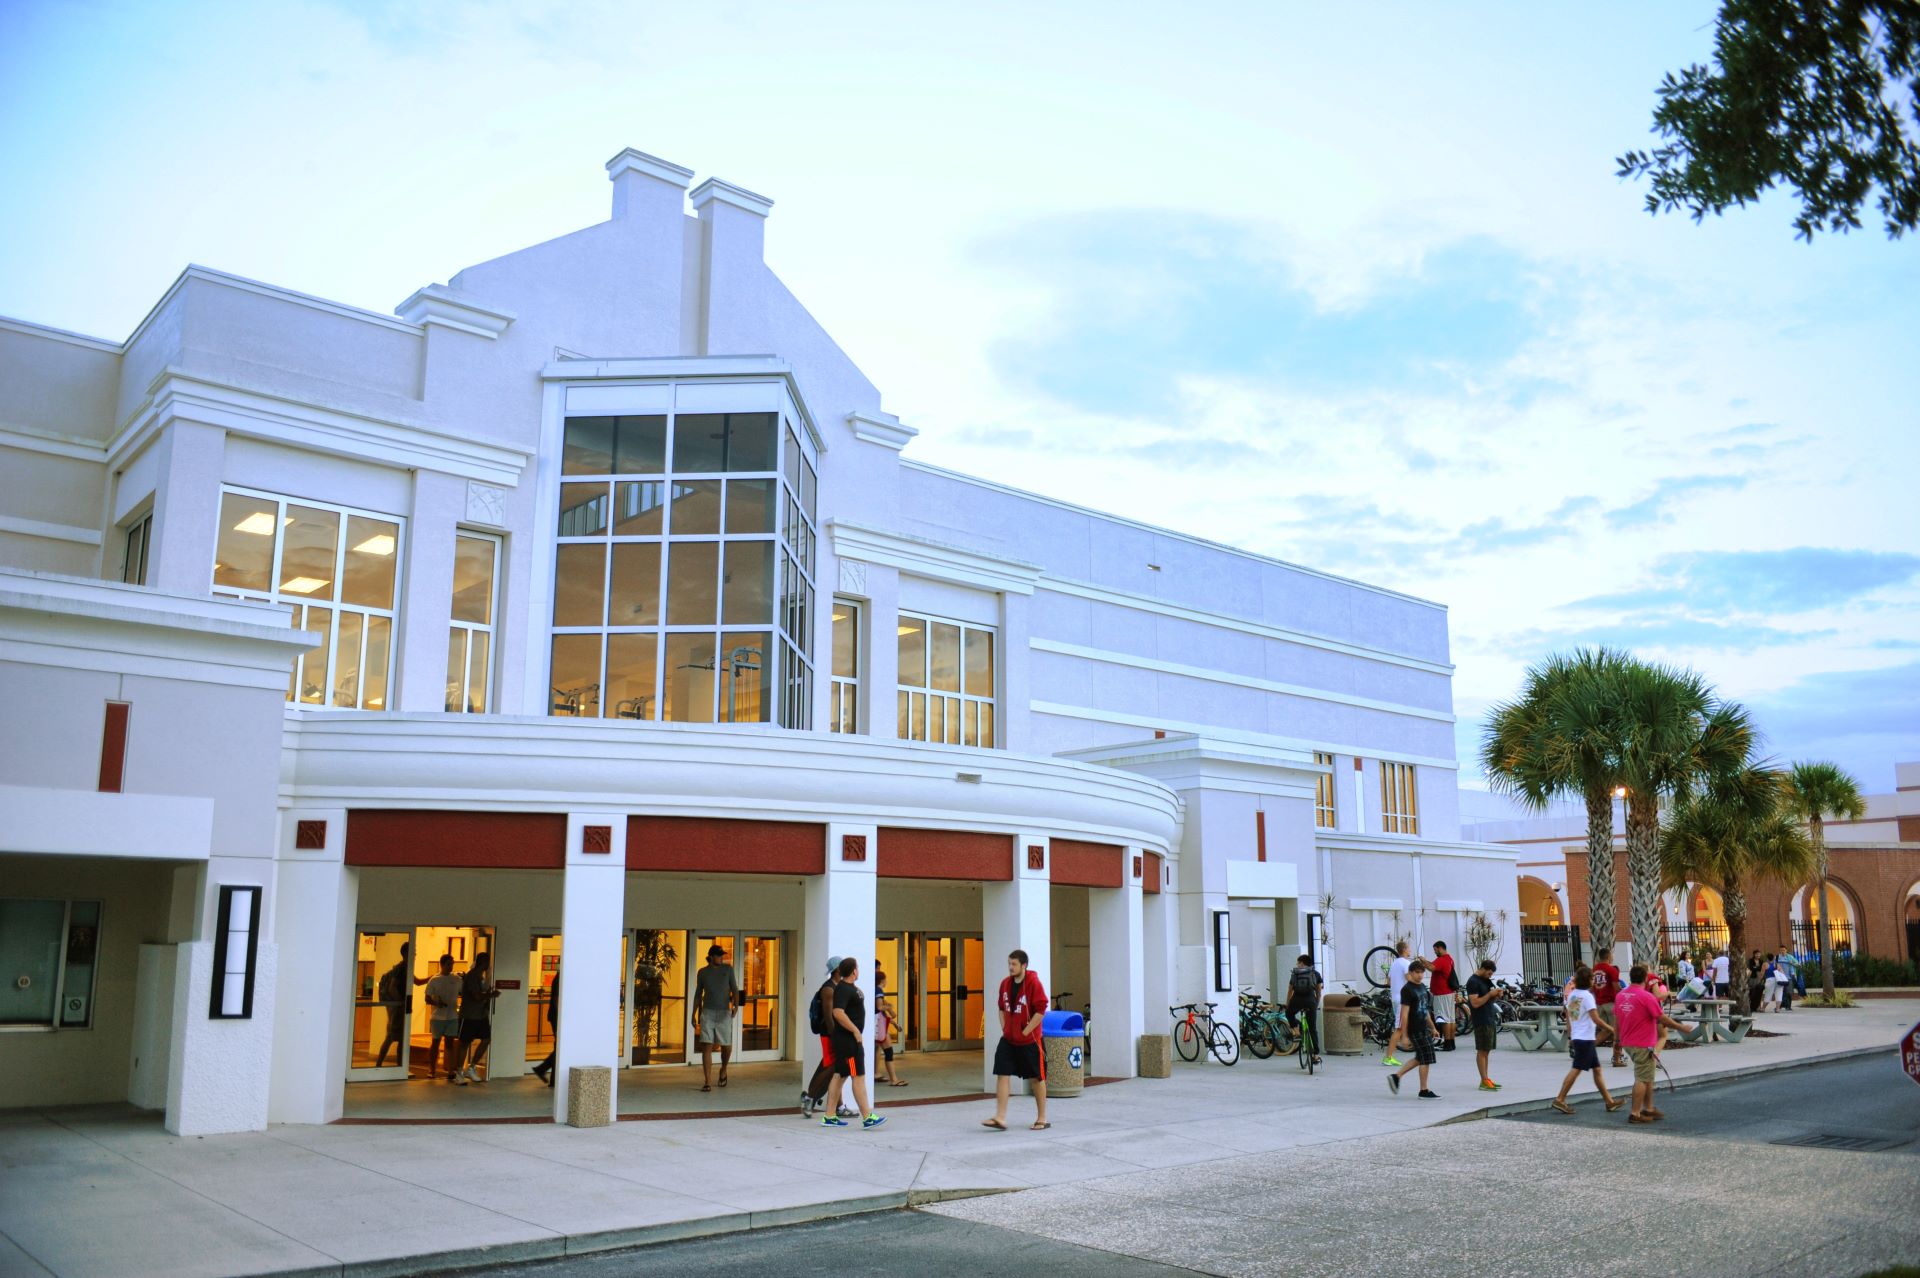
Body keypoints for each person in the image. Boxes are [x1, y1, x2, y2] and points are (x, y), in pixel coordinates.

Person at [984, 949, 1050, 1131]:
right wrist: (1005, 1027)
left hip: (1030, 1041)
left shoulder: (1033, 983)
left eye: (1014, 964)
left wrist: (1026, 1031)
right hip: (1009, 1039)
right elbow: (1000, 1008)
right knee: (1002, 1073)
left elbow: (1041, 1009)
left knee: (1036, 1078)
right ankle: (1000, 1117)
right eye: (1009, 964)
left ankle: (1042, 1118)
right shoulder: (1005, 984)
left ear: (1024, 965)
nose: (1010, 967)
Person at [1615, 964, 1688, 1124]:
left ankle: (1649, 1108)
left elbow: (1617, 1019)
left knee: (1647, 1075)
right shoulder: (1647, 997)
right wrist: (1681, 1027)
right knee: (1642, 1077)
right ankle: (1635, 1113)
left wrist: (1616, 1041)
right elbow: (1661, 1018)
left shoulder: (1620, 995)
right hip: (1642, 1044)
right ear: (1645, 979)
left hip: (1627, 1042)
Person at [820, 956, 884, 1129]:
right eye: (858, 967)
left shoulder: (846, 988)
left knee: (840, 1075)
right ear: (854, 971)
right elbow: (838, 1012)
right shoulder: (844, 989)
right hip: (849, 1044)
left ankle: (829, 1116)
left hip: (847, 1042)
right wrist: (855, 1031)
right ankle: (867, 1116)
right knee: (857, 1076)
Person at [1550, 965, 1623, 1116]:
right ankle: (1560, 1099)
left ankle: (1609, 1102)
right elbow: (1595, 1018)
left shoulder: (1573, 995)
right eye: (1592, 978)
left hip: (1580, 1036)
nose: (1594, 980)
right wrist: (1611, 1029)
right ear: (1588, 980)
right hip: (1585, 1039)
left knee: (1597, 1070)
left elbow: (1571, 1018)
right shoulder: (1587, 996)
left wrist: (1571, 1036)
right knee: (1576, 1069)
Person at [800, 956, 854, 1118]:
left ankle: (838, 1106)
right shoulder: (828, 989)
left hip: (836, 1034)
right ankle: (809, 1099)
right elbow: (829, 1017)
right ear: (838, 969)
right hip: (830, 1035)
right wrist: (836, 1037)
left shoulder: (838, 986)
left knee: (835, 1070)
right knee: (831, 1069)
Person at [1387, 959, 1440, 1098]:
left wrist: (1433, 1027)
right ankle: (1423, 1090)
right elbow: (1404, 1014)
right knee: (1426, 1058)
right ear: (1410, 973)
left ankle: (1396, 1077)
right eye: (1417, 972)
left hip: (1424, 1027)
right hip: (1414, 1029)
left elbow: (1425, 1010)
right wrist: (1404, 1035)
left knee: (1421, 1057)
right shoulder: (1407, 990)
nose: (1420, 975)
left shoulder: (1422, 987)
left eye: (1422, 972)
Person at [693, 943, 740, 1092]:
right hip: (707, 1012)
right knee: (706, 1045)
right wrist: (693, 1013)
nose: (721, 958)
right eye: (719, 955)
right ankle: (707, 1081)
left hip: (724, 1013)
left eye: (722, 955)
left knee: (726, 1046)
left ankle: (723, 1069)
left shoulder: (728, 970)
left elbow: (735, 989)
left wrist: (735, 1006)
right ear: (711, 957)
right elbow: (698, 994)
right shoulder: (702, 973)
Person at [455, 950, 496, 1085]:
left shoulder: (481, 977)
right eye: (487, 962)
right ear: (483, 962)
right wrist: (490, 995)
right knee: (465, 1043)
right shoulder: (472, 976)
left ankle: (471, 1067)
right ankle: (459, 1072)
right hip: (469, 1015)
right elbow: (476, 996)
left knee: (486, 1039)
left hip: (481, 1015)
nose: (488, 965)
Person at [1462, 957, 1502, 1092]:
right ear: (1483, 969)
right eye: (1489, 973)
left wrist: (1496, 995)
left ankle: (1485, 1079)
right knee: (1482, 1050)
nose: (1490, 976)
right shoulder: (1473, 982)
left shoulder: (1486, 980)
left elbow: (1490, 996)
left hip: (1489, 1017)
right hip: (1481, 1019)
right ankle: (1484, 1080)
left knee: (1487, 1050)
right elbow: (1475, 1003)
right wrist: (1489, 994)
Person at [372, 943, 414, 1069]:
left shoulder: (406, 968)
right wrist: (401, 1002)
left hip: (399, 1007)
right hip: (398, 1007)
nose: (415, 954)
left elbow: (416, 981)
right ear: (406, 953)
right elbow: (392, 988)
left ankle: (398, 1066)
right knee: (391, 1036)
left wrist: (432, 977)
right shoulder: (401, 968)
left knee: (400, 1038)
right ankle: (380, 1064)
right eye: (413, 951)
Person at [422, 954, 463, 1081]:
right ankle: (432, 1069)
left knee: (450, 1043)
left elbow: (463, 992)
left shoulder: (456, 979)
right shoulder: (434, 980)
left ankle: (451, 1070)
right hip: (437, 1017)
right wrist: (436, 1003)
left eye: (452, 963)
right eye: (449, 964)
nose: (451, 966)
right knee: (435, 1043)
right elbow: (427, 998)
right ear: (442, 964)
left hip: (452, 1017)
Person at [1283, 953, 1322, 1065]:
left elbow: (1290, 991)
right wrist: (1316, 1004)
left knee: (1289, 1014)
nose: (1297, 964)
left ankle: (1296, 1032)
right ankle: (1315, 1055)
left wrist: (1288, 1004)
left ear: (1302, 963)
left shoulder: (1294, 974)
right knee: (1312, 1028)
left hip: (1296, 1000)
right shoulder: (1316, 974)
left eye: (1298, 962)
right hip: (1311, 1001)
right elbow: (1319, 992)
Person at [1589, 946, 1624, 1070]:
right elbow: (1616, 988)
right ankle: (1617, 1058)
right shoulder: (1612, 970)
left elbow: (1592, 988)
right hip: (1611, 1003)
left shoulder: (1594, 969)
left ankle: (1587, 1051)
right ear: (1609, 956)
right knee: (1617, 1031)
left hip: (1599, 1004)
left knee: (1606, 1030)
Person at [1383, 939, 1413, 1067]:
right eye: (1408, 948)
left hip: (1395, 997)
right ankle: (1388, 1057)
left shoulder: (1394, 963)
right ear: (1404, 950)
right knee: (1399, 1028)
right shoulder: (1406, 963)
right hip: (1402, 999)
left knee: (1401, 1026)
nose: (1410, 950)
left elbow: (1388, 981)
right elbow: (1409, 979)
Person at [1428, 941, 1459, 1052]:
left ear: (1440, 948)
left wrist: (1422, 960)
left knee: (1444, 1019)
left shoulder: (1442, 959)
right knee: (1450, 1019)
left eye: (1435, 950)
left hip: (1442, 993)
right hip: (1449, 993)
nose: (1435, 952)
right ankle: (1451, 1043)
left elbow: (1431, 967)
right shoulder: (1449, 959)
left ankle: (1447, 1044)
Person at [531, 969, 559, 1087]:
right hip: (557, 1017)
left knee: (560, 1047)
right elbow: (556, 999)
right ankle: (542, 1069)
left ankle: (552, 1078)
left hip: (556, 1016)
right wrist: (562, 1016)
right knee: (561, 1047)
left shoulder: (560, 977)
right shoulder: (560, 978)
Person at [875, 996, 907, 1087]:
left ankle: (840, 1100)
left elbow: (890, 1015)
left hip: (854, 1040)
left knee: (852, 1076)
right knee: (851, 1074)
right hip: (852, 1042)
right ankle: (893, 1079)